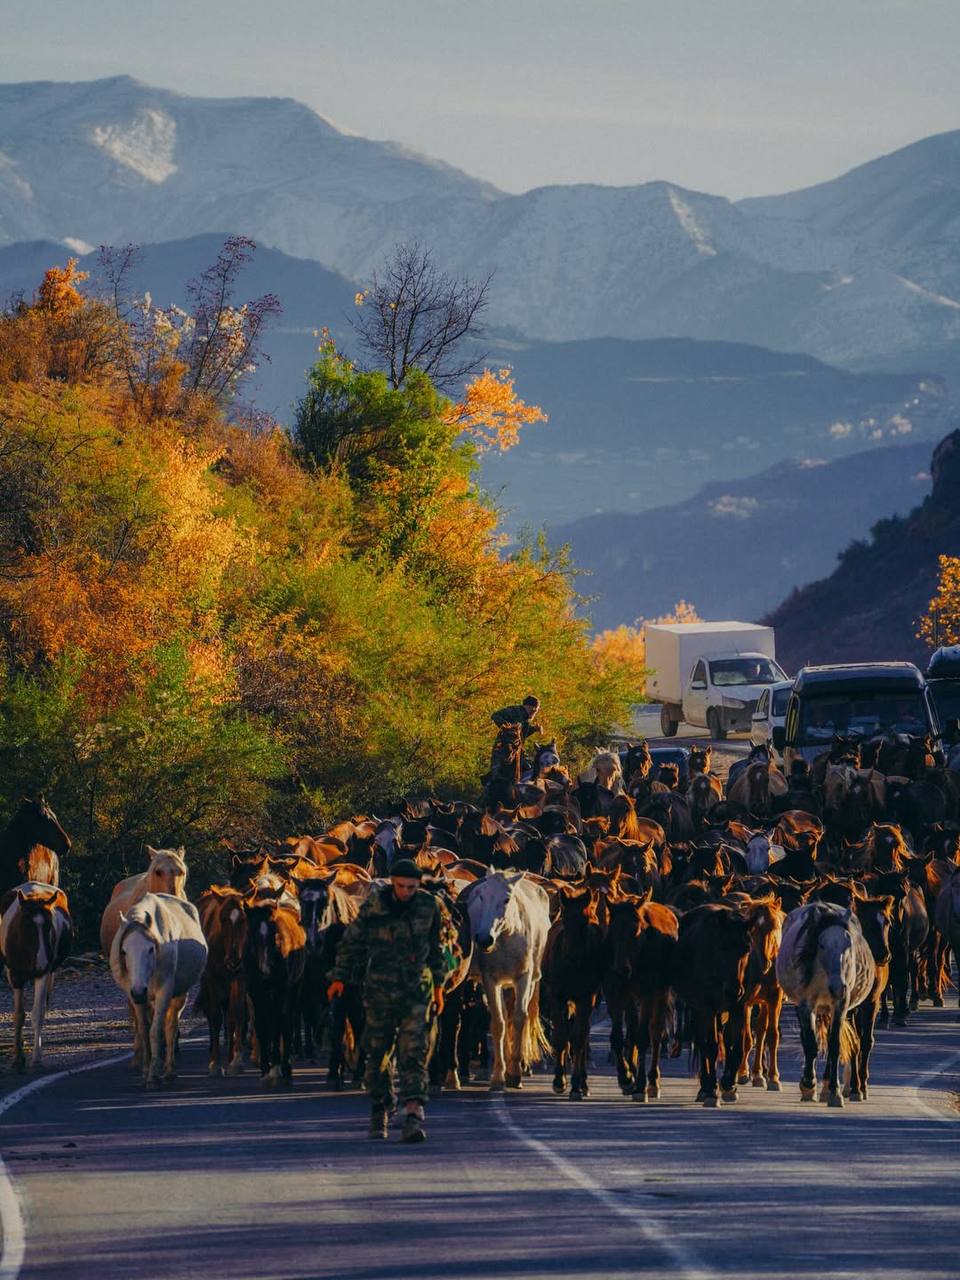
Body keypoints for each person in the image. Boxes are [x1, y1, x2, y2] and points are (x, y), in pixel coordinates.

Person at [328, 858, 445, 1144]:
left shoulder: (429, 907)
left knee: (413, 1054)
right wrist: (339, 978)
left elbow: (437, 949)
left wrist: (439, 987)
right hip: (379, 992)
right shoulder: (374, 908)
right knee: (376, 1057)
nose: (406, 892)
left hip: (416, 991)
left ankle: (413, 1114)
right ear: (393, 882)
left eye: (412, 887)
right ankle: (381, 1105)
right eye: (402, 886)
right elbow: (351, 943)